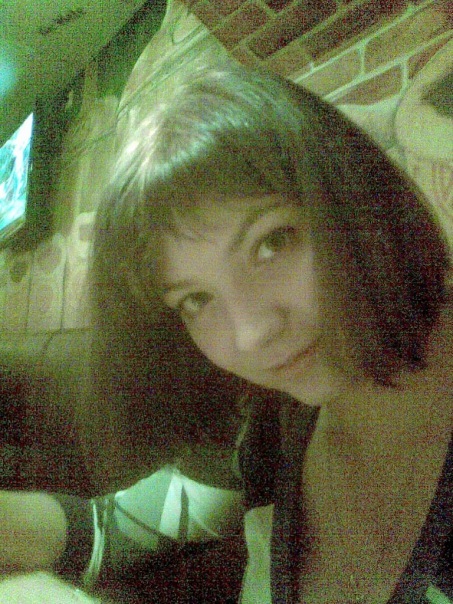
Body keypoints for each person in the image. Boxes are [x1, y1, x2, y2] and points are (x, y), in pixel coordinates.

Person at [1, 58, 452, 603]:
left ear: (354, 197)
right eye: (196, 299)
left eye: (272, 242)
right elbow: (116, 529)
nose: (250, 334)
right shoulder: (269, 433)